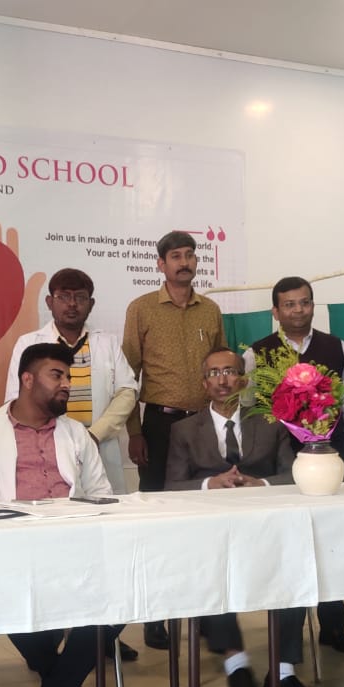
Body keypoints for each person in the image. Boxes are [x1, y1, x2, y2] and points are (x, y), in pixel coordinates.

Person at [0, 343, 123, 687]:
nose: (67, 384)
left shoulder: (76, 433)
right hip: (9, 549)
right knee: (11, 596)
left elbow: (101, 492)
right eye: (56, 375)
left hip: (74, 547)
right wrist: (13, 518)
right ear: (27, 380)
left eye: (69, 377)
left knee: (122, 596)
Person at [165, 347, 329, 687]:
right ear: (203, 383)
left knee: (294, 571)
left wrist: (262, 484)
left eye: (230, 371)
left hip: (266, 527)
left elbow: (294, 475)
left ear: (243, 379)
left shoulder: (270, 423)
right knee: (209, 572)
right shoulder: (184, 430)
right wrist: (209, 484)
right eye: (213, 373)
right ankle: (235, 664)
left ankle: (283, 675)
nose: (222, 379)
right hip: (211, 531)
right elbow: (171, 486)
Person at [5, 268, 141, 660]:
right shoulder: (30, 344)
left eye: (80, 297)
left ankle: (98, 633)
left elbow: (127, 391)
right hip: (43, 453)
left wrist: (93, 435)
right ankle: (51, 633)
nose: (71, 304)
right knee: (51, 551)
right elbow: (16, 396)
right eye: (63, 296)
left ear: (90, 303)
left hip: (99, 448)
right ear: (49, 302)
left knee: (99, 546)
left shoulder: (106, 343)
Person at [245, 276, 344, 655]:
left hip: (328, 460)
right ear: (275, 311)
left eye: (305, 302)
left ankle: (334, 626)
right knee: (287, 546)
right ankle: (289, 636)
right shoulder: (257, 353)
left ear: (313, 305)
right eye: (290, 304)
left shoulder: (336, 347)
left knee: (333, 542)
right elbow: (248, 410)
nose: (298, 310)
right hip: (279, 467)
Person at [121, 230, 225, 651]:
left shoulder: (211, 310)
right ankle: (154, 614)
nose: (184, 262)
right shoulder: (142, 308)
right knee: (158, 521)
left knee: (207, 518)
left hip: (203, 425)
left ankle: (206, 613)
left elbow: (221, 369)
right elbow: (127, 375)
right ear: (160, 264)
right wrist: (134, 431)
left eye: (190, 255)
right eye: (175, 256)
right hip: (160, 426)